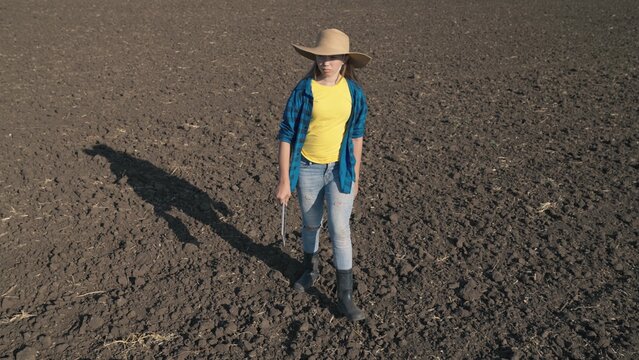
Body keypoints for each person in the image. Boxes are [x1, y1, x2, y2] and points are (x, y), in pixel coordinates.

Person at [275, 28, 371, 322]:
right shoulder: (303, 90)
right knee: (311, 223)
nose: (324, 61)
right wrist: (284, 180)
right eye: (320, 56)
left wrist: (355, 175)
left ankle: (345, 296)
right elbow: (286, 135)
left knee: (341, 231)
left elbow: (357, 136)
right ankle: (311, 270)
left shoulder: (353, 94)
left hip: (339, 170)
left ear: (345, 59)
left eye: (331, 56)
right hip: (307, 168)